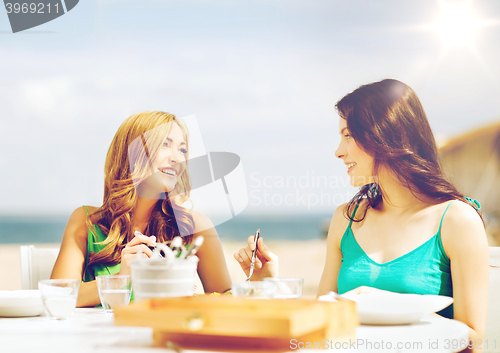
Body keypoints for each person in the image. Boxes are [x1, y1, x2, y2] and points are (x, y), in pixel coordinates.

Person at [234, 79, 489, 343]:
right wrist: (270, 286)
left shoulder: (457, 221)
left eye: (348, 135)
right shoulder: (346, 219)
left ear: (384, 134)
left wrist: (393, 308)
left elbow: (474, 340)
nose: (338, 151)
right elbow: (322, 324)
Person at [52, 111, 232, 307]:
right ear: (133, 153)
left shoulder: (195, 226)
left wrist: (257, 279)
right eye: (165, 144)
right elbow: (57, 296)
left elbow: (223, 299)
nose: (177, 158)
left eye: (182, 150)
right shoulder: (86, 221)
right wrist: (121, 278)